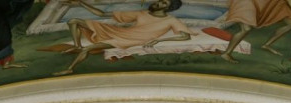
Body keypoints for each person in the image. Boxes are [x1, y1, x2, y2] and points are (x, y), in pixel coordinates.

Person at [53, 0, 192, 76]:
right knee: (73, 21)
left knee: (89, 48)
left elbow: (185, 36)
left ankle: (70, 69)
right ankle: (77, 46)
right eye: (160, 1)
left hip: (132, 40)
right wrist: (81, 3)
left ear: (168, 8)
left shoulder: (171, 20)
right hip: (121, 32)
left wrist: (160, 40)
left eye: (164, 3)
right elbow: (102, 14)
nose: (158, 3)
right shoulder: (142, 13)